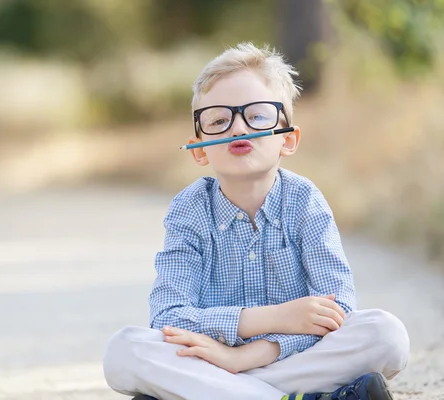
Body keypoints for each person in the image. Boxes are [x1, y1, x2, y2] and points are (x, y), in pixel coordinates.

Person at [102, 42, 409, 400]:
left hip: (287, 358)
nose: (237, 128)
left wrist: (248, 356)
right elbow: (170, 319)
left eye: (258, 116)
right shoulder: (189, 209)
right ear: (199, 149)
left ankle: (230, 393)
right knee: (125, 350)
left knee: (385, 334)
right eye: (218, 120)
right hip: (211, 363)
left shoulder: (304, 200)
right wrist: (277, 317)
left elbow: (336, 308)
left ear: (288, 140)